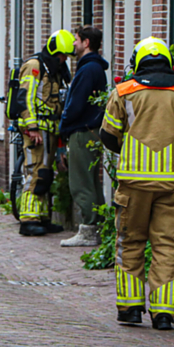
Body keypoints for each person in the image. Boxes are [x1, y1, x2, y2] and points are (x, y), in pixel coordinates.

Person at [99, 37, 174, 331]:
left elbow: (108, 135)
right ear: (168, 62)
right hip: (173, 185)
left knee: (130, 242)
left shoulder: (124, 92)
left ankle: (131, 309)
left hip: (133, 184)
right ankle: (163, 313)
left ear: (137, 63)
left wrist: (130, 149)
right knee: (167, 246)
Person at [16, 29, 74, 236]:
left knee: (46, 174)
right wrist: (32, 127)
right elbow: (25, 97)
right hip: (37, 131)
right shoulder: (34, 67)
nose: (64, 60)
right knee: (35, 172)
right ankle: (28, 220)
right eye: (62, 55)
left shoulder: (53, 70)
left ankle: (42, 217)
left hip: (50, 130)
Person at [59, 25, 109, 247]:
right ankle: (98, 226)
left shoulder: (87, 70)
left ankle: (89, 229)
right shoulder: (95, 68)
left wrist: (64, 123)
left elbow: (76, 104)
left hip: (82, 131)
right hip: (92, 130)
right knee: (92, 182)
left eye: (76, 39)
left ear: (86, 43)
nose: (73, 43)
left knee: (80, 182)